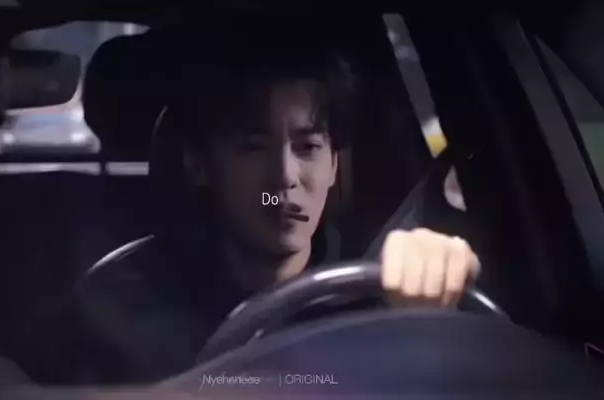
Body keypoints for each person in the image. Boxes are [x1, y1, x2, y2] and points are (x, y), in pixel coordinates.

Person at [28, 21, 481, 385]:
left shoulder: (384, 290)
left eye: (308, 147)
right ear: (199, 165)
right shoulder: (121, 304)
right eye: (253, 147)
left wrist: (431, 300)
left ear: (333, 167)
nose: (284, 179)